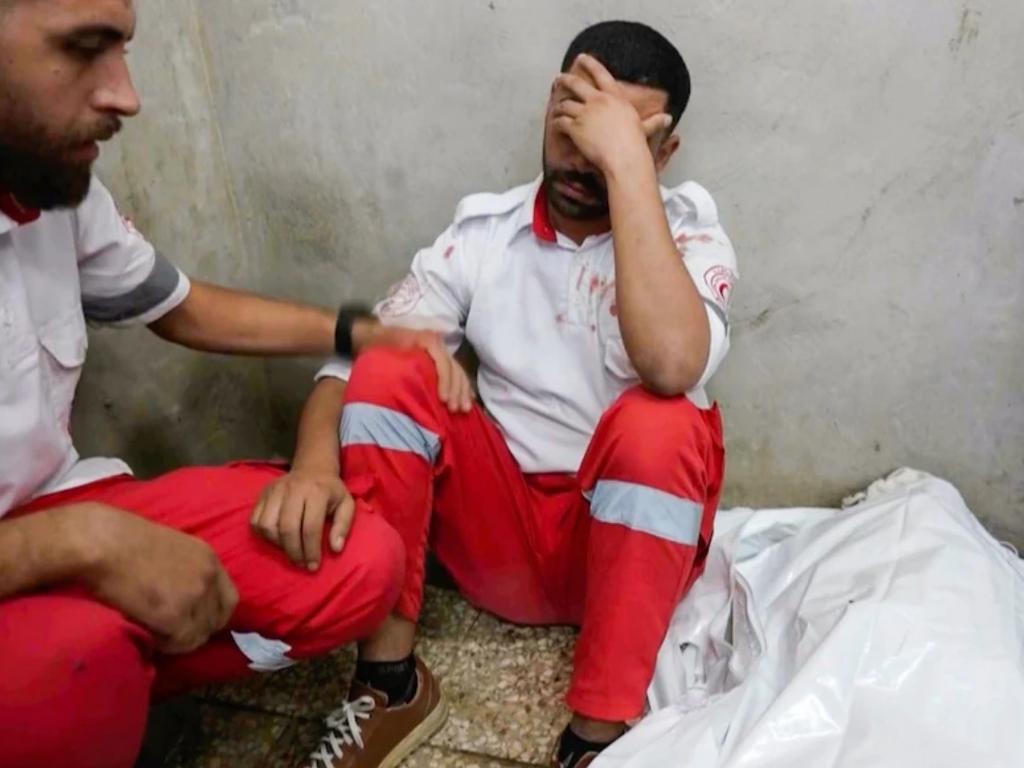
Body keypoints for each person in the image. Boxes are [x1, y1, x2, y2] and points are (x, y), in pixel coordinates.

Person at [263, 20, 740, 768]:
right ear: (554, 106)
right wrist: (314, 464)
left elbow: (674, 363)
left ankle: (598, 735)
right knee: (395, 367)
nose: (585, 158)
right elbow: (355, 361)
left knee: (665, 421)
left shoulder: (690, 236)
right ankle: (388, 684)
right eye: (577, 124)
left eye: (617, 139)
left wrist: (628, 172)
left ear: (662, 153)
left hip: (618, 562)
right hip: (501, 544)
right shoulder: (486, 231)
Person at [0, 2, 458, 766]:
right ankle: (80, 689)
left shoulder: (46, 185)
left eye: (124, 50)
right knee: (75, 655)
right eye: (85, 48)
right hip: (56, 533)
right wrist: (79, 543)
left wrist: (355, 335)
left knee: (356, 561)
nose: (127, 94)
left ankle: (107, 690)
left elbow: (181, 307)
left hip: (59, 500)